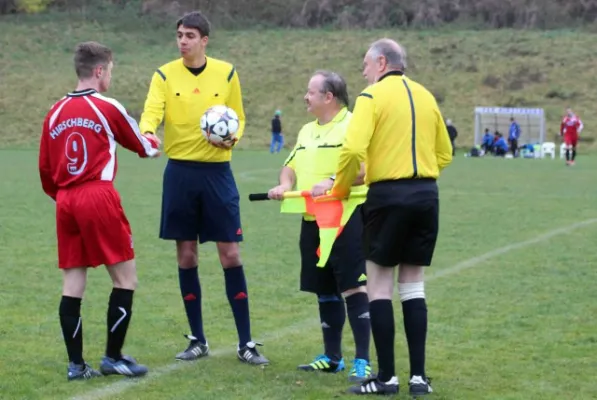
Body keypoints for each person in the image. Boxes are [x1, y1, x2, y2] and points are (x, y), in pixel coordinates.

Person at [139, 11, 269, 365]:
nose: (183, 41)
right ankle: (198, 339)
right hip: (179, 173)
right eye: (179, 35)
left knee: (230, 254)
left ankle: (246, 343)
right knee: (186, 255)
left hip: (217, 173)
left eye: (190, 36)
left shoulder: (226, 72)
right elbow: (152, 112)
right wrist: (148, 131)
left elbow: (238, 116)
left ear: (204, 40)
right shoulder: (164, 74)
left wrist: (234, 137)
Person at [328, 39, 453, 396]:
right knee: (413, 285)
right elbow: (445, 152)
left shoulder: (370, 98)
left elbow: (352, 149)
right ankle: (418, 378)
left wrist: (340, 188)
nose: (363, 72)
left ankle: (386, 378)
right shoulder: (427, 97)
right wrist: (421, 177)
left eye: (365, 65)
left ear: (382, 63)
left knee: (380, 285)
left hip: (387, 197)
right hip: (427, 195)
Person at [38, 41, 160, 380]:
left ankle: (76, 365)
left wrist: (65, 199)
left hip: (65, 200)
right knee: (126, 278)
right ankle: (113, 357)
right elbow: (142, 145)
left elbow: (46, 171)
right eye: (110, 70)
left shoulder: (54, 112)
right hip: (97, 196)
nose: (110, 76)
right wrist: (154, 142)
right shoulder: (106, 107)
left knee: (73, 282)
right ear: (99, 71)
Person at [267, 71, 372, 382]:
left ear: (329, 97)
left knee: (353, 285)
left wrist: (332, 182)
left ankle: (363, 361)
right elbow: (290, 165)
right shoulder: (306, 131)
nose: (305, 97)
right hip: (312, 218)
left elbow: (367, 169)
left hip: (345, 217)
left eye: (310, 92)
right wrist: (282, 184)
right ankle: (332, 357)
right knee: (324, 288)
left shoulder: (353, 124)